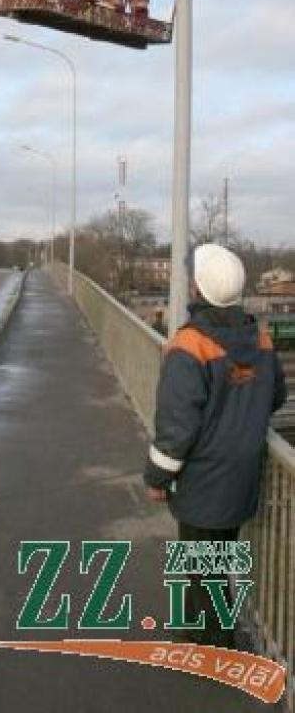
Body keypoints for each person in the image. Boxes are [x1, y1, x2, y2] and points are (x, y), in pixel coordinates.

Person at [144, 243, 286, 647]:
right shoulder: (258, 337)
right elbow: (274, 394)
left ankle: (209, 645)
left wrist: (156, 478)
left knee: (200, 566)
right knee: (218, 559)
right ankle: (212, 633)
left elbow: (176, 429)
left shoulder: (189, 346)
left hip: (202, 479)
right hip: (241, 477)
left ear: (197, 289)